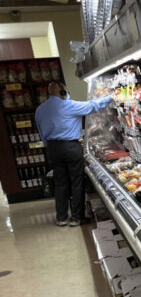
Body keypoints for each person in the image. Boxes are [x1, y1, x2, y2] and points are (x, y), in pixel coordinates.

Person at [35, 82, 113, 227]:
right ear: (63, 93)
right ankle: (76, 218)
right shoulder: (68, 105)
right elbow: (93, 106)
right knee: (77, 182)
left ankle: (61, 218)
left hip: (52, 148)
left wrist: (50, 145)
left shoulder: (40, 110)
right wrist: (111, 97)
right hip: (70, 147)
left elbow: (41, 133)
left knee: (60, 183)